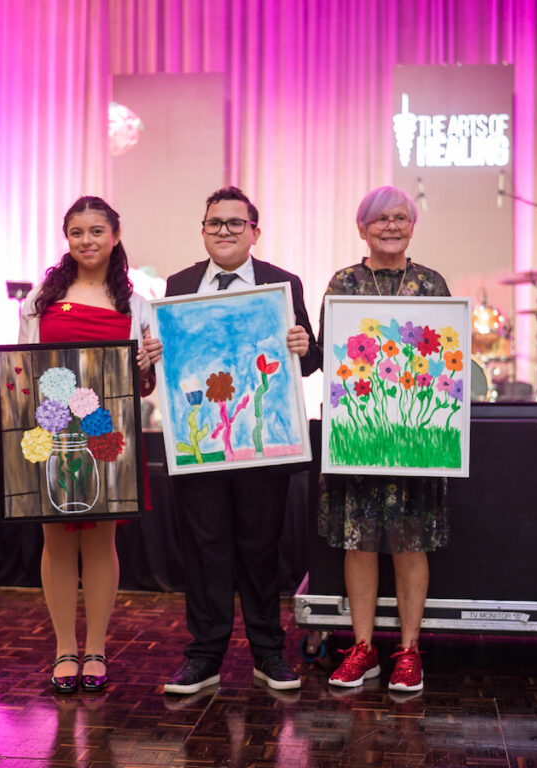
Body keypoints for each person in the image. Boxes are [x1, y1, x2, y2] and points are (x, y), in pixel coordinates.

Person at [142, 186, 322, 694]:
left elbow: (307, 361)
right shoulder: (176, 285)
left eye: (235, 223)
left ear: (254, 232)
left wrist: (303, 344)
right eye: (215, 223)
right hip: (200, 443)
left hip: (263, 442)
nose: (224, 230)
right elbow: (167, 364)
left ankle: (268, 653)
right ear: (202, 231)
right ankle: (204, 656)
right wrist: (154, 351)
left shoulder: (282, 284)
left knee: (259, 550)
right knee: (204, 551)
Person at [17, 196, 156, 694]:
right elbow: (24, 371)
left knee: (101, 541)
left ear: (114, 236)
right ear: (67, 238)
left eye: (97, 231)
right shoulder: (40, 300)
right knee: (56, 542)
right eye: (77, 232)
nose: (87, 241)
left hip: (107, 436)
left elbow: (145, 389)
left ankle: (95, 648)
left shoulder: (136, 304)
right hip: (52, 432)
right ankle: (62, 650)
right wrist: (3, 377)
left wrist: (146, 365)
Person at [318, 186, 450, 693]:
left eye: (400, 218)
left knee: (410, 543)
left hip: (416, 439)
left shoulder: (433, 283)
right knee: (360, 543)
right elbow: (333, 361)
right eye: (380, 219)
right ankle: (363, 648)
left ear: (412, 226)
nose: (391, 226)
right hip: (359, 435)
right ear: (362, 228)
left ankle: (409, 651)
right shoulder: (343, 282)